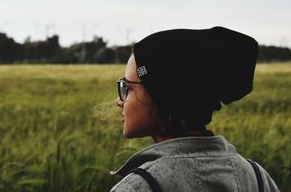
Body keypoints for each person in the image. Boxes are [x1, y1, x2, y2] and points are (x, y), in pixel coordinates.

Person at [110, 26, 280, 192]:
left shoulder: (138, 187)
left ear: (162, 96)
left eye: (127, 88)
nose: (119, 100)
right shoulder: (257, 178)